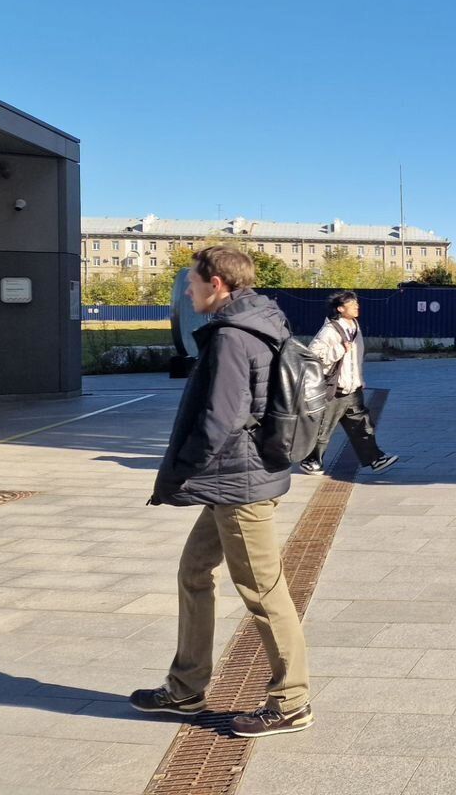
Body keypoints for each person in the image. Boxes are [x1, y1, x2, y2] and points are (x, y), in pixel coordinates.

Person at [131, 245, 313, 738]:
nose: (186, 293)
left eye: (191, 283)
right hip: (233, 479)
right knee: (194, 571)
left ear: (217, 284)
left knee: (263, 591)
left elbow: (221, 418)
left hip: (239, 484)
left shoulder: (233, 335)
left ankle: (291, 701)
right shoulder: (259, 321)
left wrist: (180, 469)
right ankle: (186, 688)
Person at [300, 291, 399, 476]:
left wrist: (359, 379)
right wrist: (339, 349)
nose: (356, 306)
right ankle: (311, 460)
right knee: (324, 427)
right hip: (334, 389)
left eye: (356, 303)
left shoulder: (354, 326)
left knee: (362, 425)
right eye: (352, 303)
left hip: (352, 388)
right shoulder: (330, 330)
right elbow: (312, 356)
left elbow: (354, 359)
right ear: (340, 309)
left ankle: (375, 458)